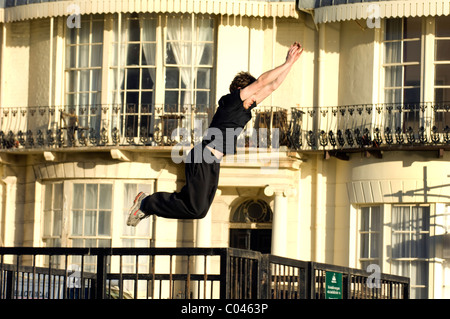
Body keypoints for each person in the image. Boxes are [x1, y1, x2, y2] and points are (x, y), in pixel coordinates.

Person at [127, 42, 303, 226]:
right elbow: (262, 82)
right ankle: (146, 203)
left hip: (211, 161)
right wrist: (286, 62)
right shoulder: (231, 101)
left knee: (200, 211)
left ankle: (148, 204)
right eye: (254, 94)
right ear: (241, 91)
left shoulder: (245, 108)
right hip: (203, 156)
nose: (255, 99)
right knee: (195, 207)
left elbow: (272, 86)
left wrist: (290, 63)